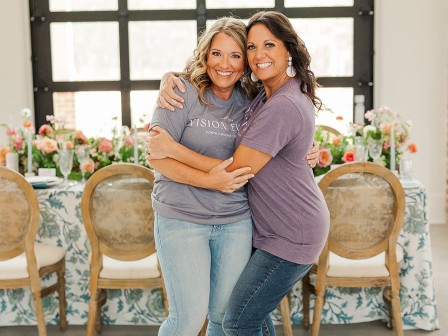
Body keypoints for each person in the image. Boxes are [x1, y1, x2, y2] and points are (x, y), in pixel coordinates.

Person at [147, 11, 330, 335]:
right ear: (204, 54)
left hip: (239, 222)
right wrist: (168, 76)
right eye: (217, 53)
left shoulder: (252, 97)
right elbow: (155, 157)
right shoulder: (182, 92)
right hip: (184, 217)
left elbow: (258, 153)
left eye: (235, 54)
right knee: (189, 321)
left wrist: (179, 152)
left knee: (228, 317)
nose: (226, 63)